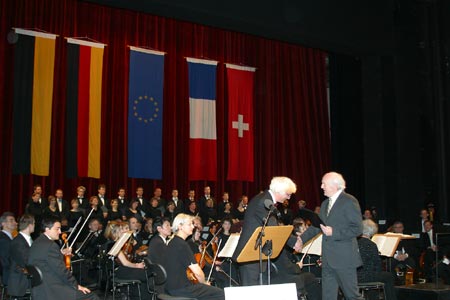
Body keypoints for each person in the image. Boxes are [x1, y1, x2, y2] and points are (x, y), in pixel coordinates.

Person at [300, 171, 363, 300]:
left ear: (335, 185)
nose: (321, 187)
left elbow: (357, 229)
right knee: (328, 296)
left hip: (345, 259)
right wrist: (300, 239)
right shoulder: (325, 204)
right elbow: (317, 227)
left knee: (352, 296)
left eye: (324, 184)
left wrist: (334, 232)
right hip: (328, 260)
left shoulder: (349, 201)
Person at [232, 176, 302, 286]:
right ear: (279, 190)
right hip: (249, 257)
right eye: (288, 194)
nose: (288, 198)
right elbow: (272, 227)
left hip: (256, 256)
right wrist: (293, 241)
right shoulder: (263, 201)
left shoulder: (266, 200)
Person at [28, 218, 99, 299]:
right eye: (57, 229)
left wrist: (61, 253)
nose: (60, 232)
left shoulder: (36, 243)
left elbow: (46, 259)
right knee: (92, 297)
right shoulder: (51, 245)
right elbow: (61, 271)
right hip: (53, 290)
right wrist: (76, 286)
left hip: (39, 290)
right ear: (47, 229)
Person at [163, 213, 224, 300]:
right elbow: (198, 273)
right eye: (190, 224)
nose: (193, 226)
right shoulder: (182, 245)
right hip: (181, 288)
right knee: (222, 294)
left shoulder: (173, 242)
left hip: (170, 287)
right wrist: (204, 284)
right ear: (180, 226)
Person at [357, 219, 397, 300]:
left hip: (355, 276)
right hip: (366, 277)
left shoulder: (355, 243)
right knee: (388, 276)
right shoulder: (371, 245)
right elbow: (377, 265)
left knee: (376, 274)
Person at [7, 214, 35, 297]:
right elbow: (26, 261)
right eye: (34, 224)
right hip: (20, 282)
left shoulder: (29, 240)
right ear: (30, 225)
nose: (34, 226)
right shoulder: (17, 242)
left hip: (28, 279)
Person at [0, 212, 18, 286]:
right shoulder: (3, 239)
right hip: (8, 275)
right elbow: (6, 262)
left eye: (14, 220)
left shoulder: (9, 238)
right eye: (11, 220)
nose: (15, 223)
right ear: (3, 224)